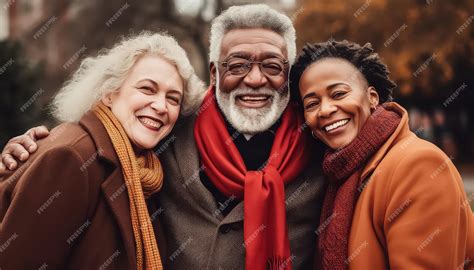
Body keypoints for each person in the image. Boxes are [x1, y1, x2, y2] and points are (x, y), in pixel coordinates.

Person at [0, 5, 326, 269]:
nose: (255, 79)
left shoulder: (321, 146)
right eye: (238, 64)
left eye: (271, 65)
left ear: (288, 74)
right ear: (214, 73)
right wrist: (26, 158)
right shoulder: (171, 135)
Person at [0, 32, 204, 269]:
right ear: (108, 93)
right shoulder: (72, 158)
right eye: (147, 89)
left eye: (173, 99)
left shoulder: (146, 169)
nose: (160, 106)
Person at [289, 40, 474, 269]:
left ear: (372, 97)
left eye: (338, 94)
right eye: (312, 103)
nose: (325, 110)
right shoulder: (336, 172)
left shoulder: (418, 164)